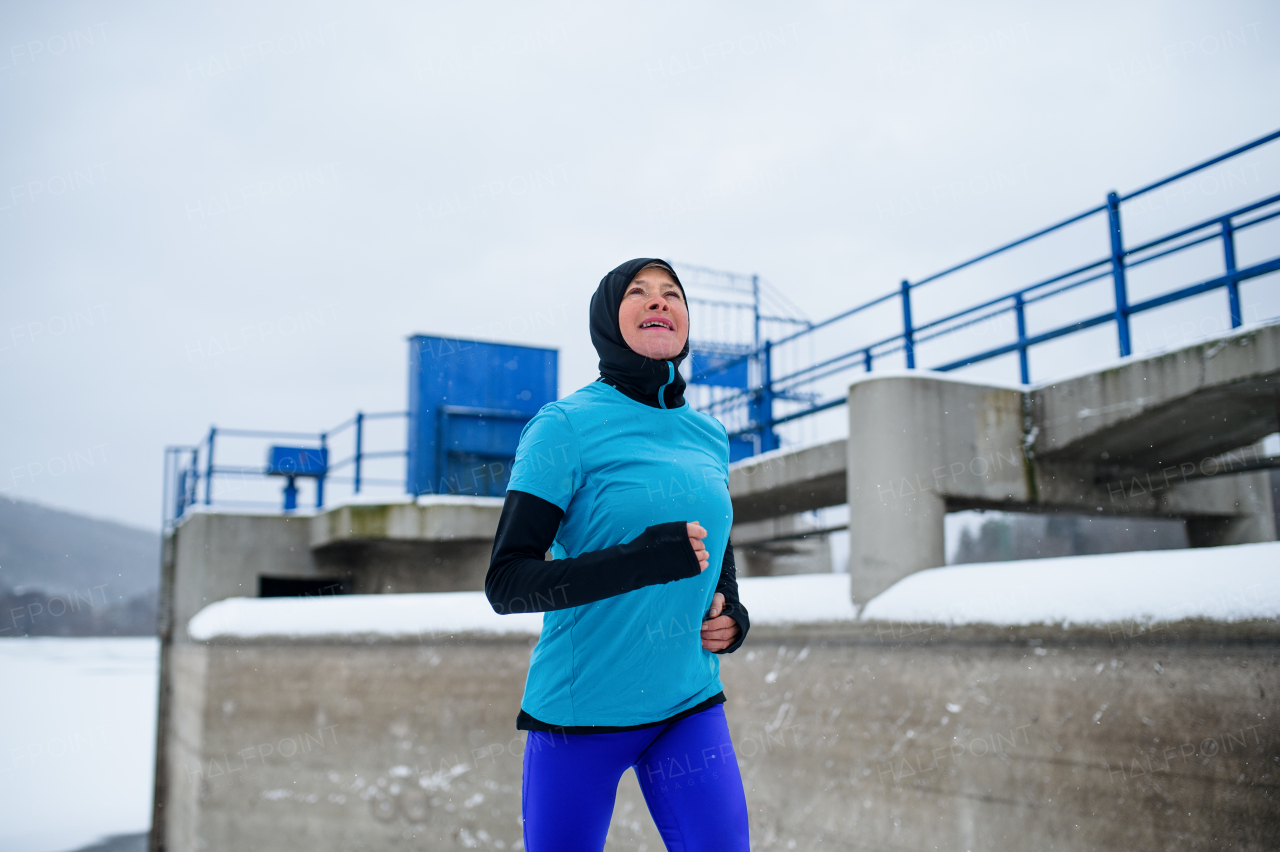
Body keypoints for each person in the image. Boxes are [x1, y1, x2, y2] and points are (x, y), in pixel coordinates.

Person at [485, 257, 751, 851]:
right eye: (639, 292)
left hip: (688, 703)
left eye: (672, 294)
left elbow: (716, 551)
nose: (660, 302)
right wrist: (641, 560)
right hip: (580, 718)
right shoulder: (563, 427)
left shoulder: (709, 434)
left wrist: (732, 614)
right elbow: (507, 582)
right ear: (608, 318)